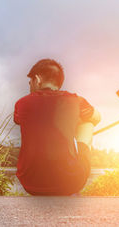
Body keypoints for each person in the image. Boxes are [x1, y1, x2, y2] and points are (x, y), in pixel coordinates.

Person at [14, 59, 101, 195]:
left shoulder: (21, 104)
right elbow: (97, 117)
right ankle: (76, 159)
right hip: (71, 183)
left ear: (37, 80)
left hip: (30, 183)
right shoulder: (76, 100)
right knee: (87, 123)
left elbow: (20, 119)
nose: (29, 86)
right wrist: (73, 121)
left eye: (30, 82)